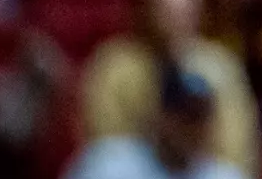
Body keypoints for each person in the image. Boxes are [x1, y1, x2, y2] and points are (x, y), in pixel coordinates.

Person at [82, 0, 260, 176]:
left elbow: (237, 150)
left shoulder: (220, 67)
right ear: (145, 7)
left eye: (184, 9)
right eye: (165, 8)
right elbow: (104, 140)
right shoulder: (117, 64)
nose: (175, 17)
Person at [64, 65, 248, 179]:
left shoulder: (225, 176)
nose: (194, 129)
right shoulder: (108, 163)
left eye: (202, 118)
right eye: (185, 117)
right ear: (161, 116)